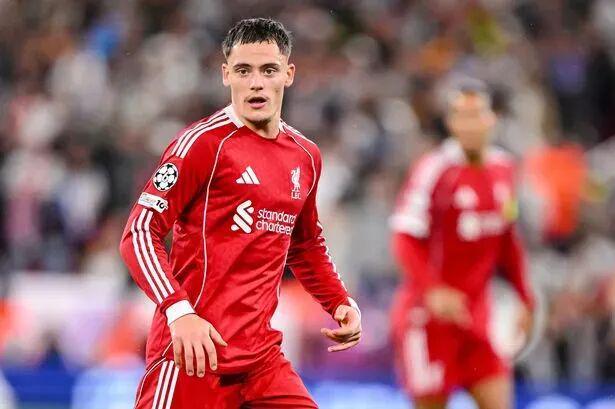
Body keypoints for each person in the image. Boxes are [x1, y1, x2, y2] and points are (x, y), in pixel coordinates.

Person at [119, 18, 361, 409]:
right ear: (226, 74)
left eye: (268, 70)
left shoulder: (305, 156)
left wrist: (339, 301)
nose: (256, 83)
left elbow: (304, 243)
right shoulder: (203, 145)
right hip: (195, 350)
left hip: (261, 358)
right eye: (244, 70)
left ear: (289, 74)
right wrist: (179, 312)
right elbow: (140, 232)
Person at [389, 79, 534, 409]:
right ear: (451, 122)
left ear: (491, 118)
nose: (469, 124)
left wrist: (525, 297)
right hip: (429, 319)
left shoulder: (504, 169)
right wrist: (433, 289)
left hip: (478, 317)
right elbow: (403, 237)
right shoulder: (433, 170)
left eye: (476, 114)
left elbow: (507, 239)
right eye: (461, 116)